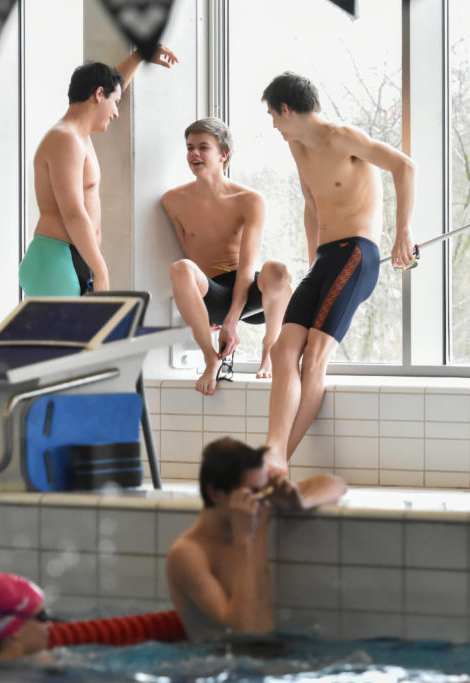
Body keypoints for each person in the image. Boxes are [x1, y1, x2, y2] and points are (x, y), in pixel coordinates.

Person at [261, 72, 416, 474]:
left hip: (357, 253)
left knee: (314, 356)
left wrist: (403, 232)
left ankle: (278, 460)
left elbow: (404, 166)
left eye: (273, 116)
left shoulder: (343, 137)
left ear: (286, 109)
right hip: (325, 258)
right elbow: (311, 204)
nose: (274, 126)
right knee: (282, 350)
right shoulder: (297, 147)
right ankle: (272, 449)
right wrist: (312, 257)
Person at [20, 45, 179, 297]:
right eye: (115, 103)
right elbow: (73, 213)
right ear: (98, 94)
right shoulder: (66, 139)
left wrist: (140, 55)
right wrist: (101, 270)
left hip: (68, 258)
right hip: (57, 260)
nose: (116, 112)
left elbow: (114, 83)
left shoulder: (78, 135)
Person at [165, 437, 346, 641]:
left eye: (264, 490)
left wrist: (299, 501)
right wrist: (243, 540)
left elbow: (336, 485)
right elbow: (243, 631)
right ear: (215, 493)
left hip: (268, 649)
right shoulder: (188, 554)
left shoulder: (258, 508)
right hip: (219, 656)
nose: (263, 500)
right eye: (253, 492)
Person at [162, 117, 292, 396]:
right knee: (181, 268)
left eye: (203, 147)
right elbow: (189, 256)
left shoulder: (249, 199)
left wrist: (231, 321)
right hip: (214, 293)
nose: (194, 154)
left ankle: (270, 351)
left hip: (249, 294)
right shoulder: (173, 200)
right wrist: (199, 310)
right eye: (190, 148)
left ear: (223, 154)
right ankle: (211, 359)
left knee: (278, 270)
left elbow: (246, 268)